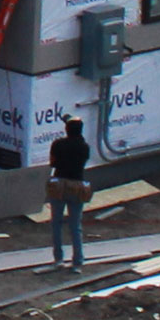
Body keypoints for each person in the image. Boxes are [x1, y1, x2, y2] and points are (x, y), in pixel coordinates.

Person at [46, 115, 94, 269]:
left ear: (67, 129)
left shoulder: (58, 144)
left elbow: (52, 163)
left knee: (56, 223)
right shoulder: (84, 147)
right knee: (75, 225)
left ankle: (58, 259)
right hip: (77, 186)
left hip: (59, 184)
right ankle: (77, 262)